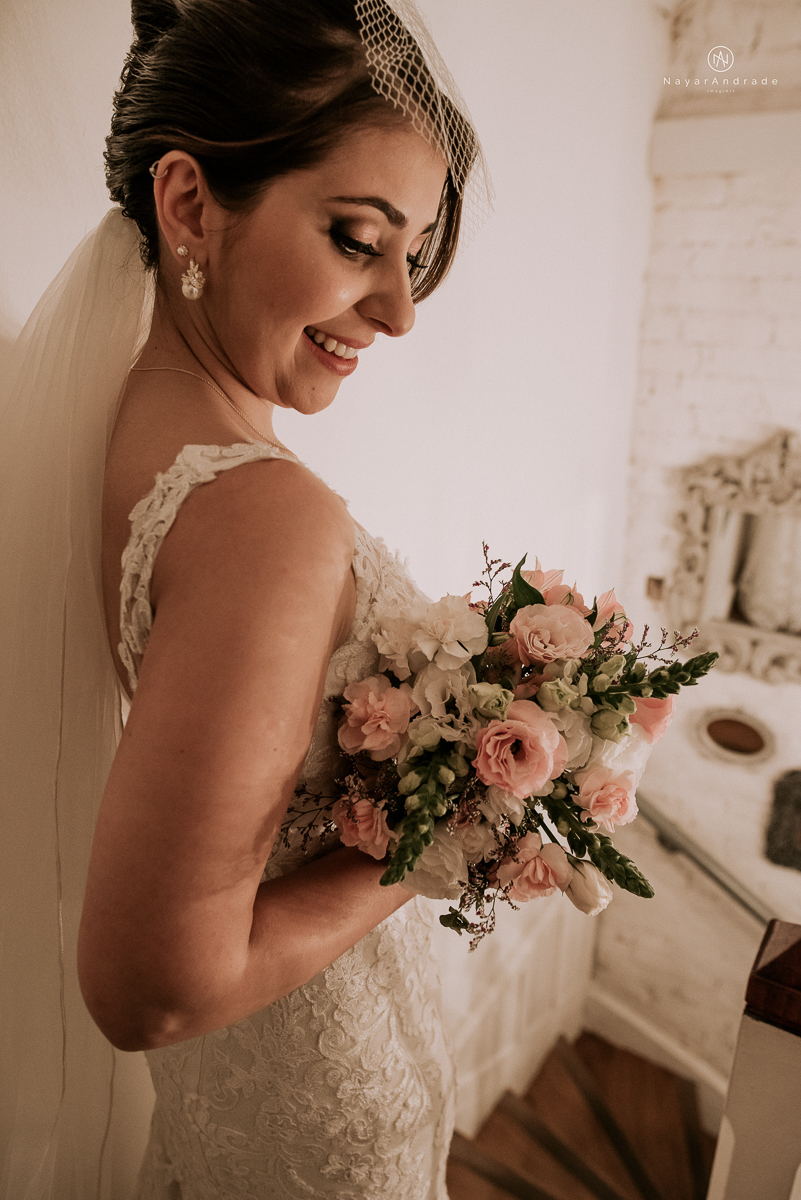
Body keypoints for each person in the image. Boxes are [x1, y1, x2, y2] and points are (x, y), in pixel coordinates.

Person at [0, 1, 491, 1197]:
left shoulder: (114, 429)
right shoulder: (264, 514)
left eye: (411, 252)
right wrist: (446, 826)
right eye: (356, 237)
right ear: (188, 204)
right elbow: (152, 989)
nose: (399, 309)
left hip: (243, 1117)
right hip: (321, 1136)